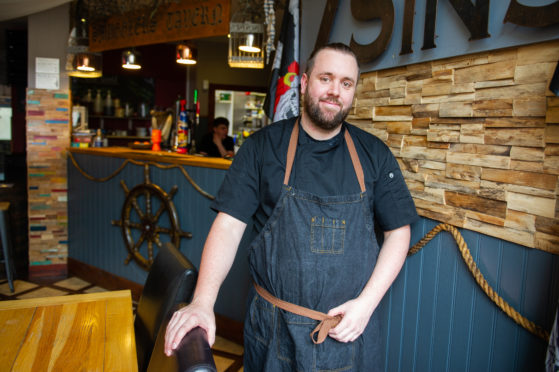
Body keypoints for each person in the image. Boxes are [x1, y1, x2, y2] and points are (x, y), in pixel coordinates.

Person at [165, 43, 418, 371]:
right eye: (325, 78)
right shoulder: (262, 148)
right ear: (303, 82)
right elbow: (228, 226)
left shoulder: (374, 155)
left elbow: (399, 232)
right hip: (272, 332)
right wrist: (202, 301)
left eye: (346, 83)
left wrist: (366, 306)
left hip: (348, 332)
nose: (334, 91)